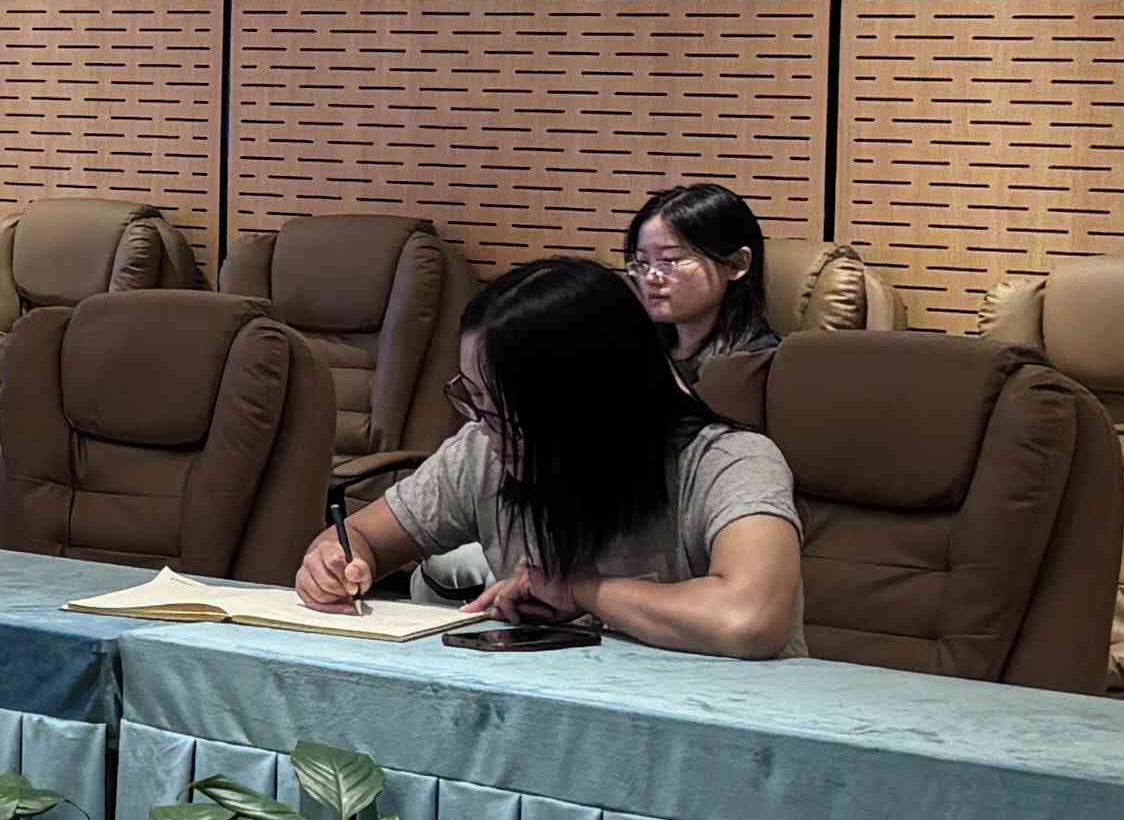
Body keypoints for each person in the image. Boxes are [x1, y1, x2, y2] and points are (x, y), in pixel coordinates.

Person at [296, 256, 806, 656]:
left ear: (586, 406)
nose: (483, 426)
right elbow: (360, 536)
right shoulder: (483, 450)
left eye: (505, 412)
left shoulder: (729, 462)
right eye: (473, 397)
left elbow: (750, 619)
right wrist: (336, 562)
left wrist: (581, 592)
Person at [622, 178, 788, 385]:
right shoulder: (638, 350)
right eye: (642, 262)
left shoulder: (758, 366)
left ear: (736, 263)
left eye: (669, 260)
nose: (650, 277)